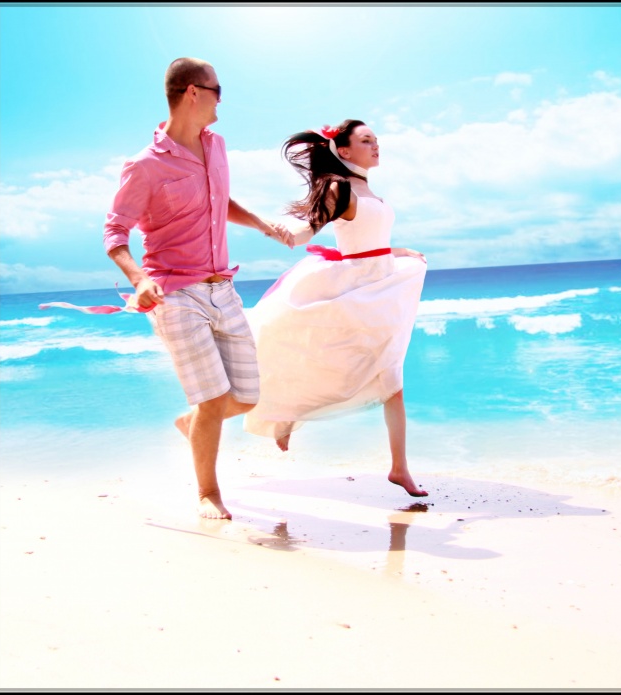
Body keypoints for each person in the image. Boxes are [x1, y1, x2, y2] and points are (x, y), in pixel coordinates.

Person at [103, 57, 292, 520]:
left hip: (222, 287)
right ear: (193, 92)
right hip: (174, 294)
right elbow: (115, 233)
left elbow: (217, 200)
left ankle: (192, 425)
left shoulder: (217, 145)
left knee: (245, 396)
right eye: (217, 90)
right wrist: (139, 279)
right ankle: (208, 493)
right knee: (211, 398)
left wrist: (261, 223)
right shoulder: (144, 166)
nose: (221, 100)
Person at [242, 119, 429, 497]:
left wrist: (399, 251)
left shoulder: (368, 190)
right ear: (343, 150)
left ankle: (399, 469)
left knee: (390, 378)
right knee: (333, 361)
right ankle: (284, 415)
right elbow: (308, 231)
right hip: (358, 289)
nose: (375, 145)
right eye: (366, 140)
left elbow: (369, 242)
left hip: (381, 287)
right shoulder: (338, 187)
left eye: (375, 140)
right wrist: (282, 231)